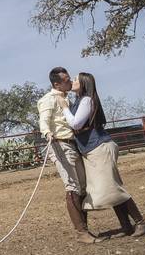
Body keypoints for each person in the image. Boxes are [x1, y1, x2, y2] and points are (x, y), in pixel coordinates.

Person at [62, 72, 145, 237]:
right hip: (92, 149)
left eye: (75, 79)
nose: (73, 81)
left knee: (113, 187)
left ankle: (141, 222)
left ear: (83, 83)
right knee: (110, 189)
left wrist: (64, 108)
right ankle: (127, 226)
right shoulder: (80, 100)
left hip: (99, 148)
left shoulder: (87, 100)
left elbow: (76, 123)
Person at [37, 67, 103, 244]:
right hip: (59, 143)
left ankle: (84, 229)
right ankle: (81, 232)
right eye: (66, 80)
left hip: (73, 144)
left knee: (82, 186)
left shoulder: (68, 99)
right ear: (56, 83)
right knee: (72, 186)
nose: (69, 82)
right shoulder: (48, 100)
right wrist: (47, 133)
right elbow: (44, 120)